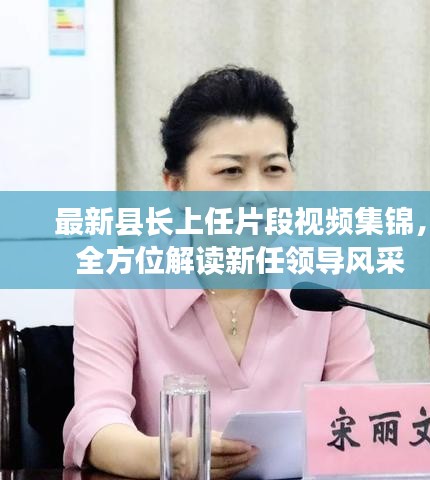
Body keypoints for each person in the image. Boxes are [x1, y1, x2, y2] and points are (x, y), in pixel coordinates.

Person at [63, 66, 377, 479]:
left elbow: (362, 410)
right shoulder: (115, 281)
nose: (257, 194)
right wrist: (167, 457)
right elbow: (97, 422)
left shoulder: (328, 278)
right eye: (231, 171)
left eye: (274, 169)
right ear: (175, 185)